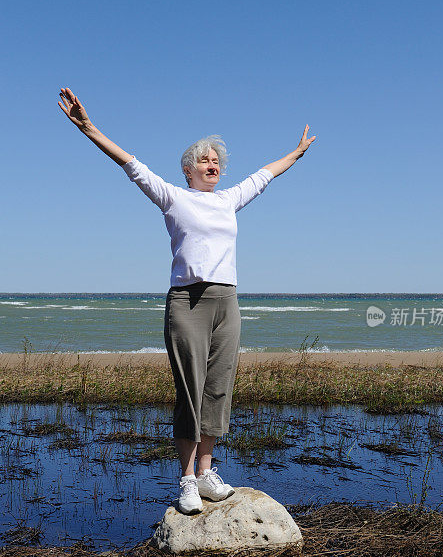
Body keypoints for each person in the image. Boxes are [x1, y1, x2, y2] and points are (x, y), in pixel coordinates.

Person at [58, 87, 316, 514]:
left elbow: (265, 174)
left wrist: (297, 153)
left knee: (218, 389)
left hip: (226, 302)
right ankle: (186, 479)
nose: (213, 165)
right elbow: (129, 162)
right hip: (188, 302)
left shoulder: (229, 200)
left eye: (217, 161)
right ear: (187, 170)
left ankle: (208, 471)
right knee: (190, 391)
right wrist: (88, 127)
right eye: (205, 160)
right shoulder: (173, 197)